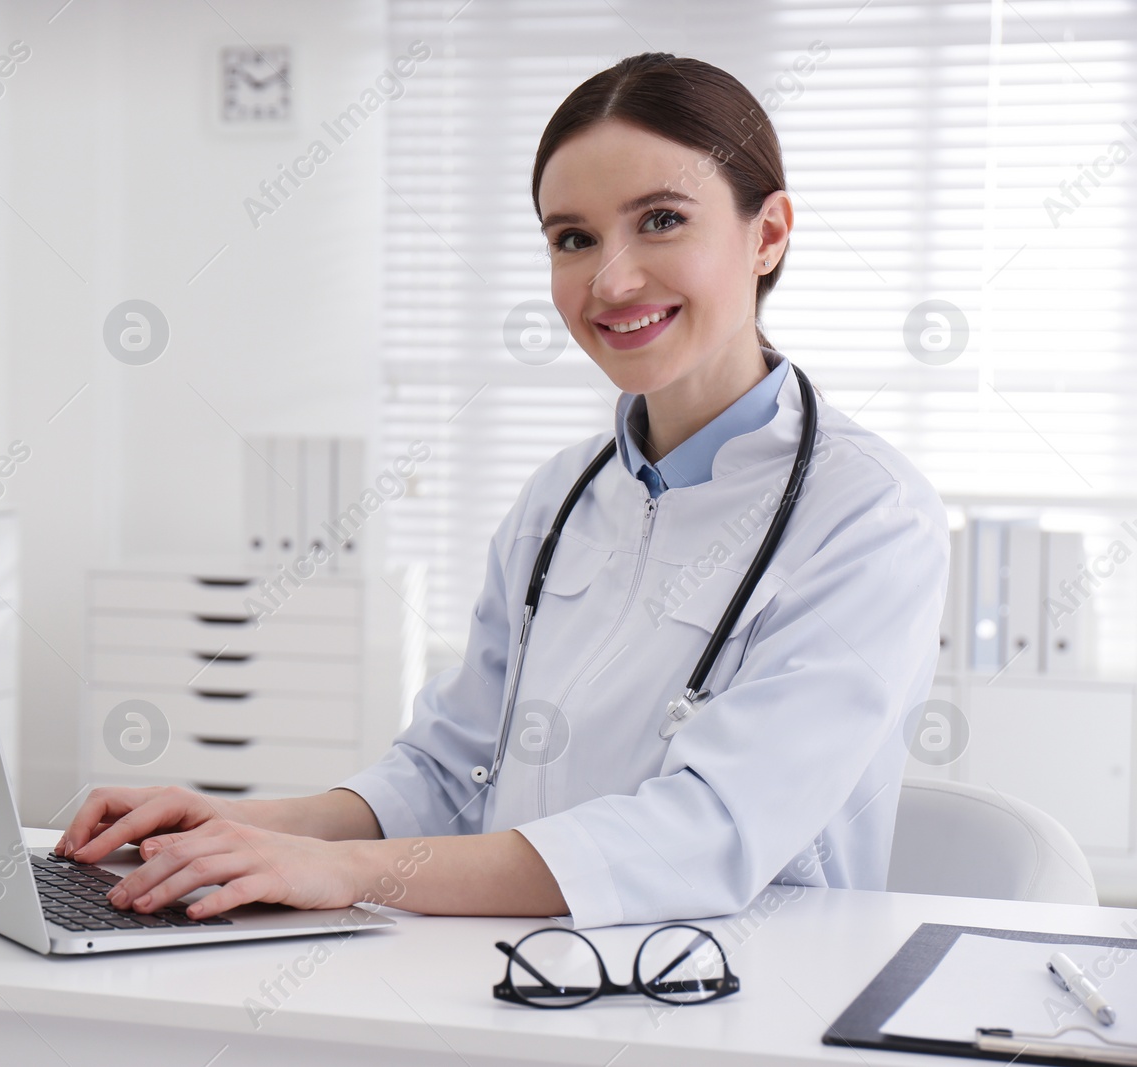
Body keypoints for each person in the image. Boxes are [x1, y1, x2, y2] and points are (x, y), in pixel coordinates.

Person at [56, 52, 949, 930]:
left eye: (664, 220)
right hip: (517, 974)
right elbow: (450, 770)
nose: (612, 279)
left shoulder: (870, 517)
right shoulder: (561, 499)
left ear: (769, 234)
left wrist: (344, 870)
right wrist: (241, 825)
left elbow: (709, 829)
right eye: (574, 238)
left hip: (745, 995)